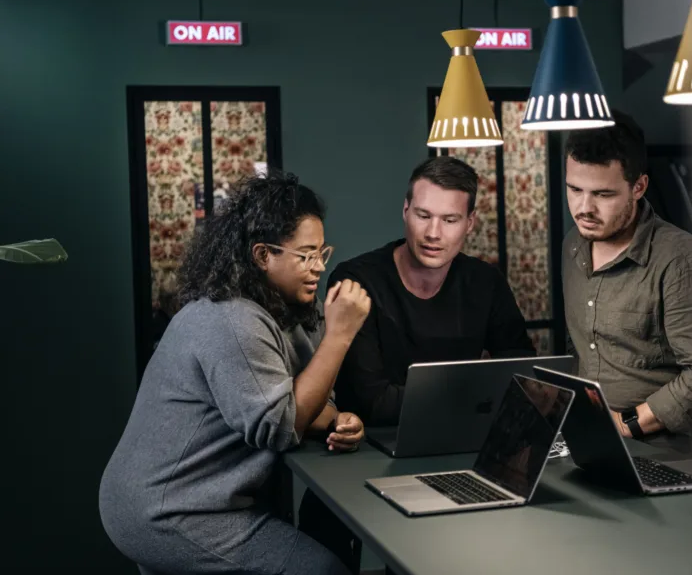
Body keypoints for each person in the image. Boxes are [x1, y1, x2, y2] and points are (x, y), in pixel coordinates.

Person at [99, 171, 371, 575]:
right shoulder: (233, 320)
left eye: (322, 253)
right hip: (168, 510)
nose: (318, 268)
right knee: (322, 570)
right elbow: (280, 428)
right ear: (263, 255)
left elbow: (307, 400)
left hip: (176, 500)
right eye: (306, 255)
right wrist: (340, 335)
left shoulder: (280, 314)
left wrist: (337, 421)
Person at [328, 156, 535, 426]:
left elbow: (523, 376)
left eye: (450, 220)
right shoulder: (357, 281)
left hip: (462, 438)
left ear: (470, 223)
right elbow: (374, 403)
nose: (433, 233)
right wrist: (476, 394)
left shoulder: (485, 282)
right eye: (423, 216)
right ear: (405, 210)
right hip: (372, 445)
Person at [562, 110, 692, 457]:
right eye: (574, 189)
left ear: (639, 187)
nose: (584, 207)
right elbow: (582, 351)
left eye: (602, 194)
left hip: (672, 454)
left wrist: (626, 423)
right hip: (593, 447)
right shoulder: (572, 244)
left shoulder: (680, 259)